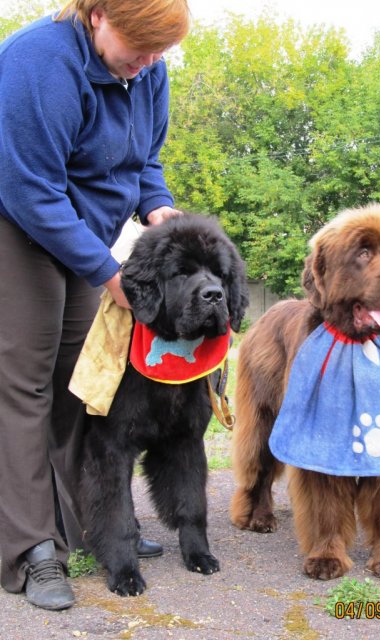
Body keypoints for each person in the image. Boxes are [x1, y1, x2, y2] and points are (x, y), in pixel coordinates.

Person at [0, 0, 190, 610]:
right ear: (98, 14)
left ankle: (93, 526)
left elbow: (143, 162)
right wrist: (110, 273)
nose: (150, 64)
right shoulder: (38, 62)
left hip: (84, 234)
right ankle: (32, 550)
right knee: (22, 387)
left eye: (160, 53)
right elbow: (31, 188)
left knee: (82, 385)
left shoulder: (146, 69)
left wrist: (156, 206)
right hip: (15, 227)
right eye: (140, 47)